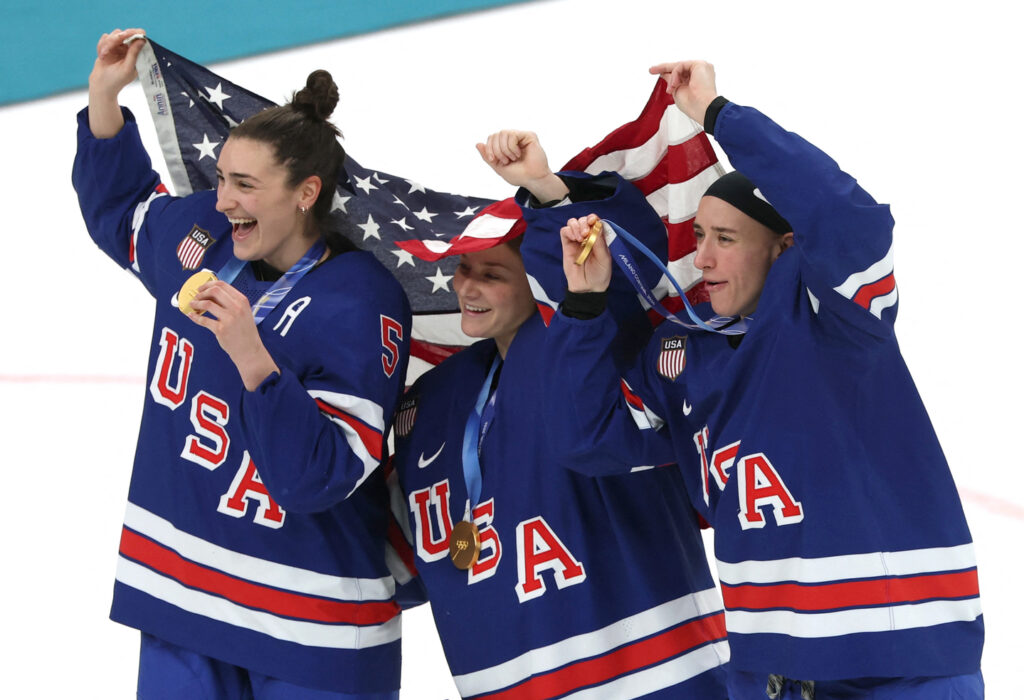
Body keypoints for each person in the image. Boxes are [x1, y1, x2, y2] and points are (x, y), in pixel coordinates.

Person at [545, 61, 984, 698]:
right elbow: (585, 436)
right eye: (699, 235)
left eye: (726, 238)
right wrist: (584, 306)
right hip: (770, 670)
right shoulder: (680, 353)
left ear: (783, 248)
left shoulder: (837, 315)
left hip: (900, 658)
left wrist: (720, 115)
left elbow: (846, 214)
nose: (703, 257)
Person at [73, 29, 411, 699]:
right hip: (184, 596)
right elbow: (119, 209)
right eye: (223, 177)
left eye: (244, 184)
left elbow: (322, 477)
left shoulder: (362, 303)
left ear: (306, 192)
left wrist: (254, 360)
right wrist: (105, 97)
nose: (222, 197)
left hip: (313, 624)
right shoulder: (198, 234)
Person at [389, 130, 729, 698]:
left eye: (493, 274)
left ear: (539, 282)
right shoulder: (434, 400)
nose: (467, 288)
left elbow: (608, 297)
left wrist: (544, 191)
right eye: (463, 269)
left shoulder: (593, 350)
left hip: (661, 677)